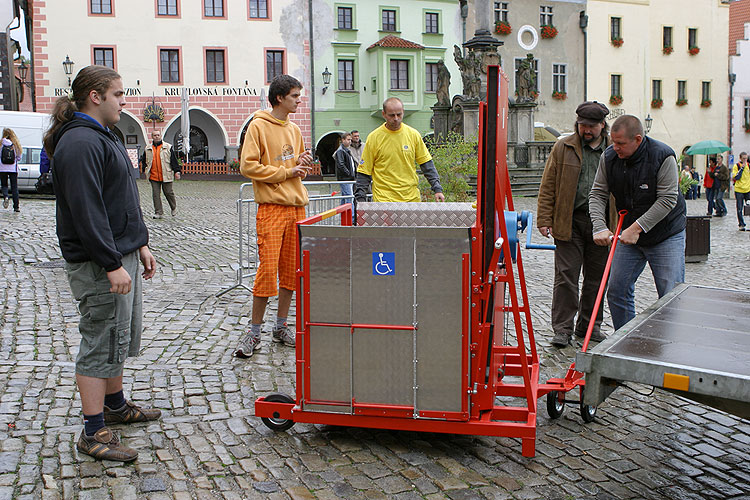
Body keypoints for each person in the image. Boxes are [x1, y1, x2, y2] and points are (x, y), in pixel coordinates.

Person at [43, 65, 160, 462]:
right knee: (100, 342)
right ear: (96, 96)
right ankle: (93, 432)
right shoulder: (79, 143)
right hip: (98, 264)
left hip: (120, 254)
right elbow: (86, 211)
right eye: (118, 93)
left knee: (117, 339)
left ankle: (116, 405)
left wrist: (140, 244)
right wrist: (111, 263)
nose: (124, 101)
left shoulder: (103, 136)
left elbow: (124, 196)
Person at [235, 74, 313, 358]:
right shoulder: (258, 126)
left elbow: (297, 161)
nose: (299, 100)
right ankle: (254, 332)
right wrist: (286, 172)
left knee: (291, 271)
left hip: (296, 207)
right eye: (294, 95)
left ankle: (280, 327)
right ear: (280, 97)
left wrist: (301, 163)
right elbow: (248, 166)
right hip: (271, 208)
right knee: (267, 270)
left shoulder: (293, 128)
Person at [589, 115, 686, 331]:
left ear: (638, 139)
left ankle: (671, 345)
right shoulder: (610, 157)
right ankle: (625, 340)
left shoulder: (662, 156)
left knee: (670, 293)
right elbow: (597, 194)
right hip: (630, 232)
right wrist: (599, 226)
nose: (616, 148)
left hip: (665, 233)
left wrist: (636, 228)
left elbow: (668, 199)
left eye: (621, 143)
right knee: (617, 288)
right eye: (613, 142)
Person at [537, 101, 612, 348]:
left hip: (603, 224)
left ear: (603, 125)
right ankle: (562, 329)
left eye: (591, 126)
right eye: (582, 125)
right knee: (566, 276)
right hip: (569, 221)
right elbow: (548, 184)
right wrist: (544, 218)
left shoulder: (612, 150)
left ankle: (590, 325)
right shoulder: (563, 146)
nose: (586, 130)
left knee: (597, 278)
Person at [355, 97, 444, 203]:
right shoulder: (374, 137)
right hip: (384, 200)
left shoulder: (413, 135)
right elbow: (364, 172)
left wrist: (437, 188)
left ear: (403, 112)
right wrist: (360, 199)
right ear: (384, 114)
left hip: (411, 199)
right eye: (392, 115)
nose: (396, 118)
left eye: (399, 114)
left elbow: (426, 164)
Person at [142, 129, 180, 219]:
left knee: (168, 192)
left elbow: (173, 160)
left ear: (161, 136)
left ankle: (173, 208)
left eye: (158, 135)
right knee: (156, 194)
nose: (156, 137)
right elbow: (144, 160)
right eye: (155, 135)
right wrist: (144, 169)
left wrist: (177, 171)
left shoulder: (168, 147)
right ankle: (158, 212)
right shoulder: (148, 148)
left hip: (166, 174)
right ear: (152, 137)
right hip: (153, 175)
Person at [1, 128, 22, 212]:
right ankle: (16, 207)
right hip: (13, 169)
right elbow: (19, 157)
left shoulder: (1, 143)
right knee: (14, 187)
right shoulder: (15, 144)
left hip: (2, 168)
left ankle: (6, 196)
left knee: (4, 185)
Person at [334, 132, 356, 205]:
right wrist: (349, 174)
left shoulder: (345, 150)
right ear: (343, 140)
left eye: (350, 140)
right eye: (348, 140)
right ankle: (351, 216)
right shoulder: (341, 151)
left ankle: (344, 215)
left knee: (345, 197)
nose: (350, 141)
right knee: (349, 198)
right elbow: (341, 165)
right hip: (346, 178)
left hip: (347, 178)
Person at [732, 152, 750, 231]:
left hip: (748, 190)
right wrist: (742, 168)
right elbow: (736, 177)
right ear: (740, 158)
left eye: (746, 158)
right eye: (743, 159)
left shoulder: (749, 166)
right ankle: (741, 224)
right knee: (739, 208)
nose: (745, 160)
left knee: (749, 207)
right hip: (739, 190)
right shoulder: (737, 166)